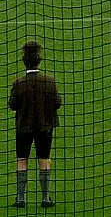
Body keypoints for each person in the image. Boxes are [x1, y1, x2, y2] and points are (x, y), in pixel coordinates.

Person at [8, 41, 61, 209]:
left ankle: (20, 198)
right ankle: (45, 198)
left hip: (23, 127)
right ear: (39, 60)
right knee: (44, 159)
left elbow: (12, 105)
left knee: (22, 160)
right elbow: (58, 103)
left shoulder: (18, 83)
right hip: (45, 127)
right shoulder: (50, 82)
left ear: (24, 61)